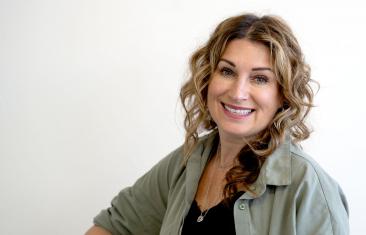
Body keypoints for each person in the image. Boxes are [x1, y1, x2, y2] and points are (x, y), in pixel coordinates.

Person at [85, 13, 349, 235]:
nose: (237, 92)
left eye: (260, 79)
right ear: (207, 79)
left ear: (283, 94)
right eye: (227, 71)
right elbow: (112, 227)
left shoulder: (309, 188)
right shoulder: (187, 162)